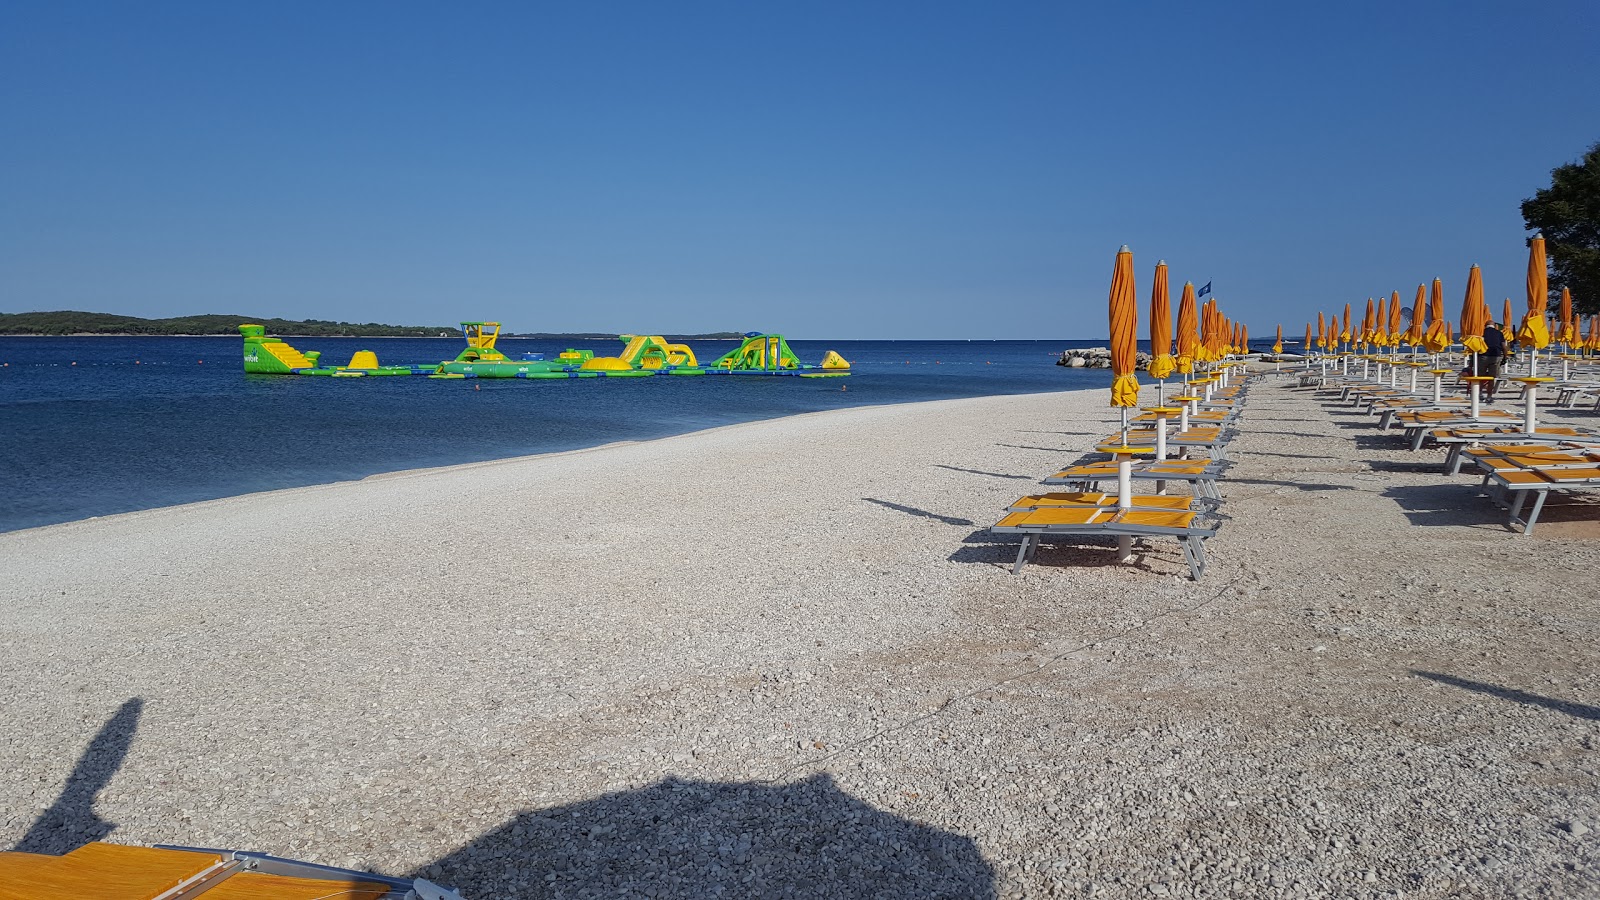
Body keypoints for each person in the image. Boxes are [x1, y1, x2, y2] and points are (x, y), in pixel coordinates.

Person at [1479, 321, 1506, 400]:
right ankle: (1489, 395)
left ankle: (1480, 393)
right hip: (1495, 356)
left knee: (1480, 376)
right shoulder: (1499, 333)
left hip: (1482, 356)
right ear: (1495, 326)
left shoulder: (1481, 332)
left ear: (1485, 325)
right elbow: (1504, 347)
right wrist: (1505, 357)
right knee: (1491, 377)